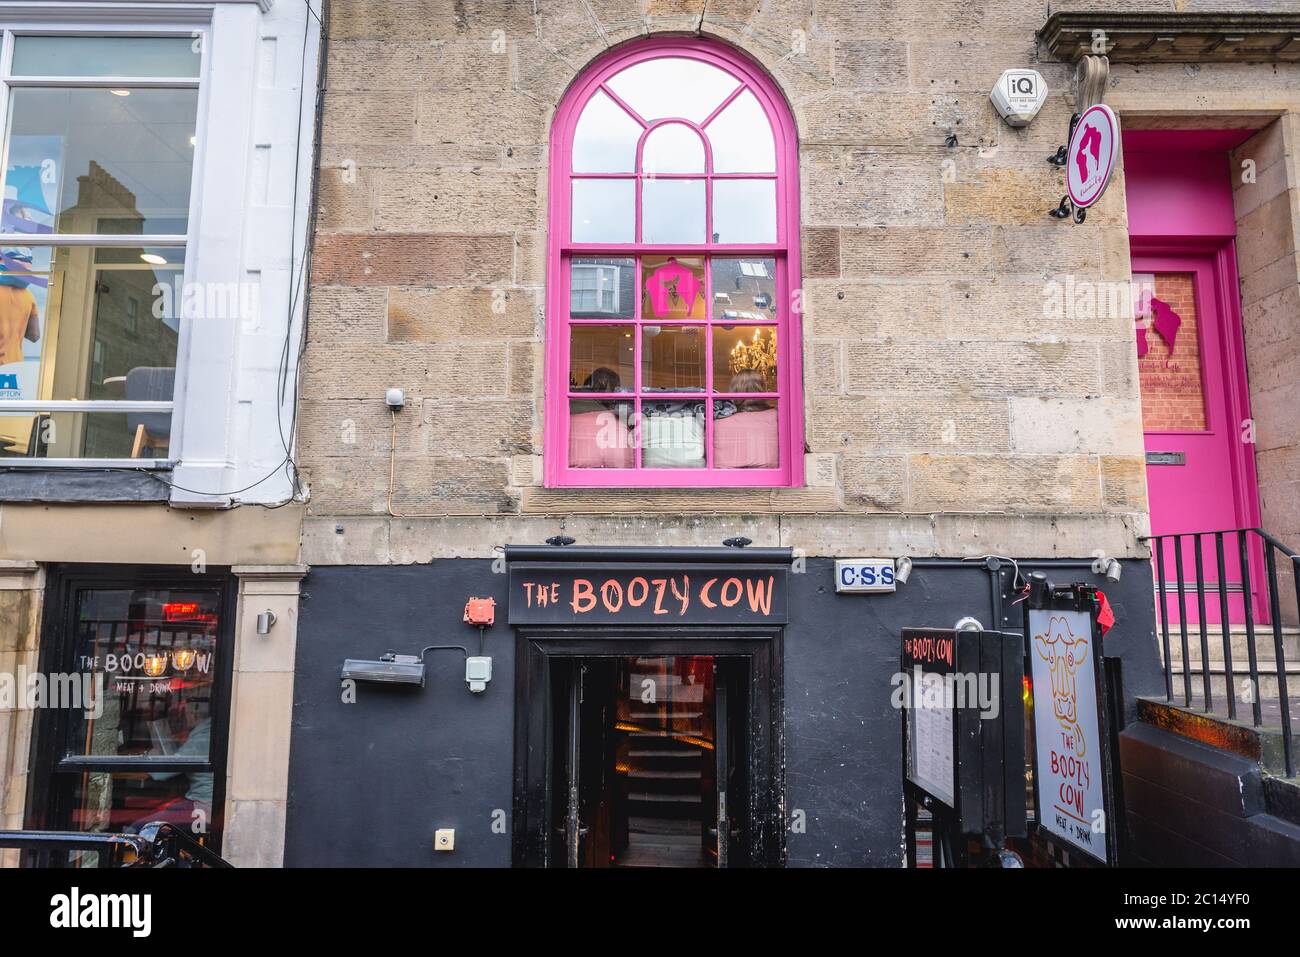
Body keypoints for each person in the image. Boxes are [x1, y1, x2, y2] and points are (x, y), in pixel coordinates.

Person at [569, 366, 633, 468]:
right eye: (615, 389)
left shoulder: (569, 415)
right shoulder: (612, 421)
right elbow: (621, 463)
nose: (617, 394)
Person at [714, 369, 778, 469]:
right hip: (771, 478)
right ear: (762, 390)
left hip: (726, 479)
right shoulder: (778, 418)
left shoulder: (719, 422)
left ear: (733, 391)